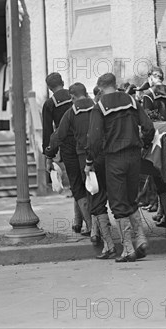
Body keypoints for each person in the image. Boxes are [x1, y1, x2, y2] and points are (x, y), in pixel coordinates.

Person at [86, 73, 155, 262]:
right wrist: (144, 143)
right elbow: (149, 127)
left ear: (100, 88)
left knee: (117, 202)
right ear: (115, 85)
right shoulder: (132, 101)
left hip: (114, 157)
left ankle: (127, 249)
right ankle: (140, 239)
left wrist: (90, 161)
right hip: (134, 155)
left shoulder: (99, 106)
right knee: (131, 198)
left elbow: (93, 139)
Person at [47, 83, 116, 258]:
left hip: (83, 158)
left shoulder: (71, 113)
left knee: (89, 190)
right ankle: (105, 232)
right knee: (101, 192)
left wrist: (49, 153)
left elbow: (59, 135)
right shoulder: (99, 107)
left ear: (72, 97)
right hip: (103, 154)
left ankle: (96, 233)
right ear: (86, 93)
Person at [42, 72, 90, 235]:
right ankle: (79, 220)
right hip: (85, 142)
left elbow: (49, 132)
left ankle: (90, 225)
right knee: (87, 182)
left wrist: (48, 154)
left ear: (49, 88)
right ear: (63, 82)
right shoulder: (75, 96)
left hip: (67, 145)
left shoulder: (50, 104)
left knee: (76, 183)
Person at [141, 66, 166, 227]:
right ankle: (162, 212)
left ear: (151, 78)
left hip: (157, 136)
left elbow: (147, 118)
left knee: (157, 174)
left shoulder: (149, 94)